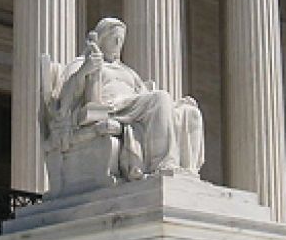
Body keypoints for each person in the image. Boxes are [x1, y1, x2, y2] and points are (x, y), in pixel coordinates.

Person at [53, 18, 203, 177]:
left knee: (189, 113)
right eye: (114, 38)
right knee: (160, 98)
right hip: (111, 108)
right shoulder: (84, 62)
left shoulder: (128, 71)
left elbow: (144, 94)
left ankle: (187, 171)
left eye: (121, 39)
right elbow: (65, 94)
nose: (119, 43)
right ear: (102, 38)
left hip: (133, 107)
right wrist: (85, 70)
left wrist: (176, 105)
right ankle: (163, 164)